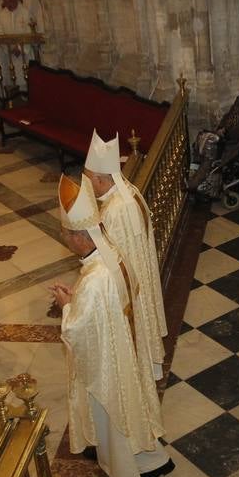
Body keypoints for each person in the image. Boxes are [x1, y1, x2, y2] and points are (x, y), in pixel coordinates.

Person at [50, 174, 173, 477]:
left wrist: (66, 305)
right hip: (122, 348)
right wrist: (76, 298)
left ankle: (127, 469)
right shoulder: (113, 253)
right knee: (131, 408)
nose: (64, 238)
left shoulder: (93, 279)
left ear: (80, 236)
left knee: (116, 414)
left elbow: (78, 330)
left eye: (65, 233)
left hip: (109, 362)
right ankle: (151, 460)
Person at [85, 131, 167, 381]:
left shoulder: (114, 210)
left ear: (100, 179)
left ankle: (142, 369)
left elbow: (114, 259)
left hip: (131, 285)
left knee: (136, 326)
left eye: (89, 179)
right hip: (142, 275)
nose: (87, 184)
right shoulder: (129, 191)